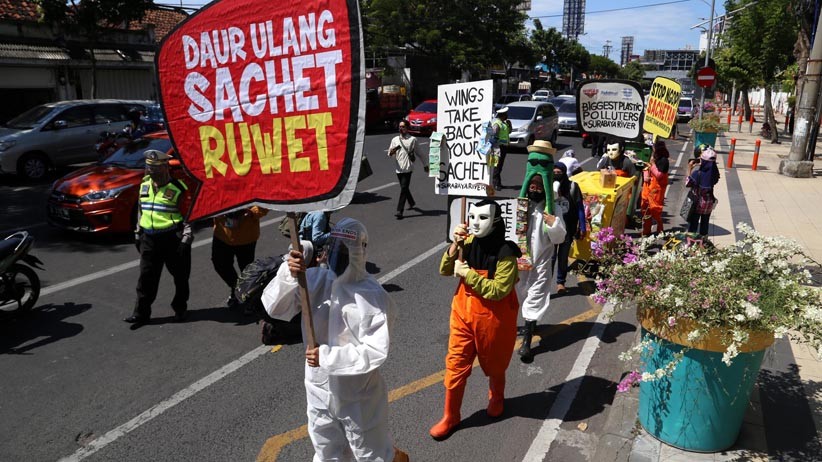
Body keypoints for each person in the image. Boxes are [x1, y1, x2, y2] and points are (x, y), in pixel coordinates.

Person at [261, 218, 409, 462]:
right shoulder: (317, 280)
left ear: (361, 250)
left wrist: (328, 356)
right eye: (335, 246)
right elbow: (276, 307)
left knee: (370, 453)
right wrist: (290, 273)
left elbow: (374, 351)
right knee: (326, 450)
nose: (337, 254)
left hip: (357, 395)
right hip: (319, 388)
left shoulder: (372, 296)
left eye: (345, 249)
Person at [430, 199, 521, 439]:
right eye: (472, 217)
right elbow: (445, 269)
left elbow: (499, 290)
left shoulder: (506, 253)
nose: (476, 223)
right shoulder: (467, 243)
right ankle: (451, 416)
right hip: (463, 314)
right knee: (455, 365)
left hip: (494, 318)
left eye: (483, 217)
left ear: (496, 221)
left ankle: (497, 396)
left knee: (496, 362)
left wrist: (468, 274)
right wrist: (454, 245)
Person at [125, 150, 192, 327]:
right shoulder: (145, 184)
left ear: (165, 168)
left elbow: (189, 216)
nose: (151, 171)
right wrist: (138, 233)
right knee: (146, 278)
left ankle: (180, 308)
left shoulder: (178, 188)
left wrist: (185, 239)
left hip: (172, 239)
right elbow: (141, 209)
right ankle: (141, 314)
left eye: (155, 167)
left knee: (180, 277)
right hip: (149, 239)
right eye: (148, 167)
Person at [515, 141, 567, 362]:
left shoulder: (553, 208)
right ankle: (519, 327)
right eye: (532, 186)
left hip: (542, 262)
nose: (535, 189)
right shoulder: (519, 205)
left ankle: (527, 343)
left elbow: (560, 237)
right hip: (518, 261)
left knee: (535, 297)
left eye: (539, 186)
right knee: (515, 295)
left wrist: (553, 223)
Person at [212, 206, 268, 308]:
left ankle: (250, 299)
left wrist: (251, 212)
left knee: (246, 270)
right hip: (222, 235)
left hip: (246, 237)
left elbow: (264, 202)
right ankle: (236, 288)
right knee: (220, 264)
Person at [550, 162, 585, 296]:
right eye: (555, 173)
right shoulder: (548, 186)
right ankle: (546, 283)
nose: (557, 175)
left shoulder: (573, 187)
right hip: (551, 228)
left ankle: (560, 282)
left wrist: (582, 226)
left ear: (564, 173)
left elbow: (579, 207)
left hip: (567, 228)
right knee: (551, 258)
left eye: (559, 173)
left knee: (563, 257)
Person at [388, 120, 426, 220]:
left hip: (408, 168)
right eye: (400, 126)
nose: (401, 128)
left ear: (407, 128)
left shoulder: (413, 139)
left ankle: (399, 211)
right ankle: (411, 202)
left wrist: (425, 165)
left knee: (404, 188)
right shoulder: (395, 139)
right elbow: (389, 153)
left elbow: (420, 153)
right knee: (404, 188)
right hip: (398, 168)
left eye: (403, 126)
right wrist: (392, 152)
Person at [686, 147, 720, 236]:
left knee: (693, 225)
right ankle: (704, 243)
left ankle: (692, 243)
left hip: (697, 204)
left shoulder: (697, 174)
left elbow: (688, 183)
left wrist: (690, 169)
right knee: (705, 225)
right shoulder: (714, 174)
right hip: (709, 204)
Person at [640, 140, 671, 236]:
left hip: (656, 191)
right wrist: (645, 175)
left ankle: (660, 228)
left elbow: (659, 175)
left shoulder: (664, 161)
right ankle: (646, 231)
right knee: (645, 210)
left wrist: (653, 165)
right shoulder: (654, 158)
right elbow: (647, 168)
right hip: (648, 188)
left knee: (655, 210)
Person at [491, 107, 512, 190]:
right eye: (505, 114)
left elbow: (509, 132)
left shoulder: (504, 123)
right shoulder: (497, 123)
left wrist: (510, 125)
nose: (507, 116)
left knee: (500, 166)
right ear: (502, 115)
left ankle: (498, 183)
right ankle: (495, 184)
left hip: (504, 147)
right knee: (497, 166)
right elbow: (494, 134)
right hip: (498, 147)